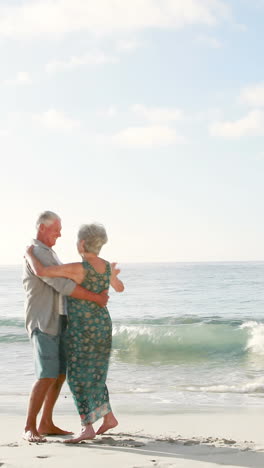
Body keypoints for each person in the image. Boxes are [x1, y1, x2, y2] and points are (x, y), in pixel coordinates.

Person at [25, 222, 124, 444]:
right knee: (96, 373)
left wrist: (29, 254)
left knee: (77, 376)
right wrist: (112, 277)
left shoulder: (78, 268)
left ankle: (86, 426)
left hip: (82, 328)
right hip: (103, 325)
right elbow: (119, 288)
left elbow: (41, 271)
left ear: (81, 243)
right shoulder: (105, 266)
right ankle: (108, 417)